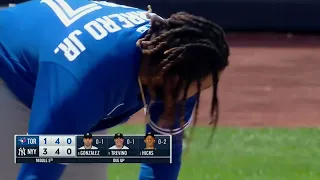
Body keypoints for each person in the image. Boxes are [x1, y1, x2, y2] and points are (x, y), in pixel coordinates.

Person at [0, 0, 229, 180]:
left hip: (60, 80)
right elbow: (37, 171)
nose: (196, 94)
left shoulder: (176, 64)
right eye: (199, 85)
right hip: (9, 73)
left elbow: (161, 154)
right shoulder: (87, 81)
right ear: (171, 74)